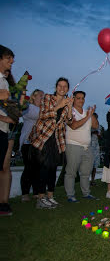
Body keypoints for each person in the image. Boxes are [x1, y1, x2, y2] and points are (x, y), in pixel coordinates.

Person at [29, 77, 73, 209]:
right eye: (60, 86)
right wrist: (60, 105)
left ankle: (50, 196)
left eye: (65, 86)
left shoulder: (66, 102)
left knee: (53, 168)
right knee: (43, 167)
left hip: (56, 138)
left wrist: (69, 107)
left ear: (68, 89)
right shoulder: (48, 98)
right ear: (55, 87)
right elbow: (43, 115)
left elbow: (69, 121)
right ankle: (41, 198)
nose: (62, 88)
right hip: (44, 136)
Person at [64, 91, 98, 202]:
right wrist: (87, 116)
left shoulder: (86, 112)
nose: (81, 100)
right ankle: (70, 195)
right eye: (78, 98)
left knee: (86, 172)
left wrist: (91, 114)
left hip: (86, 146)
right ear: (73, 99)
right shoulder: (70, 111)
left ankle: (86, 193)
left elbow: (95, 126)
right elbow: (73, 125)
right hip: (73, 144)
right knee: (71, 172)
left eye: (83, 98)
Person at [19, 89, 44, 202]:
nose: (42, 98)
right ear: (33, 97)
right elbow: (38, 115)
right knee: (29, 168)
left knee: (38, 168)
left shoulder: (42, 110)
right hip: (27, 143)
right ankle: (25, 193)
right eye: (40, 96)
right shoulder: (28, 107)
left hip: (39, 143)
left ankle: (36, 192)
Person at [0, 45, 15, 215]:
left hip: (4, 129)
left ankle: (3, 202)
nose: (12, 62)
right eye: (8, 58)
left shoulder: (4, 80)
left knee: (4, 166)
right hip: (2, 124)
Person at [90, 113, 101, 186]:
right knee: (88, 164)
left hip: (96, 146)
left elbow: (100, 136)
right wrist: (92, 132)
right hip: (89, 145)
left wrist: (98, 133)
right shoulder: (88, 124)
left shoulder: (98, 125)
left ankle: (93, 180)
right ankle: (86, 180)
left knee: (95, 165)